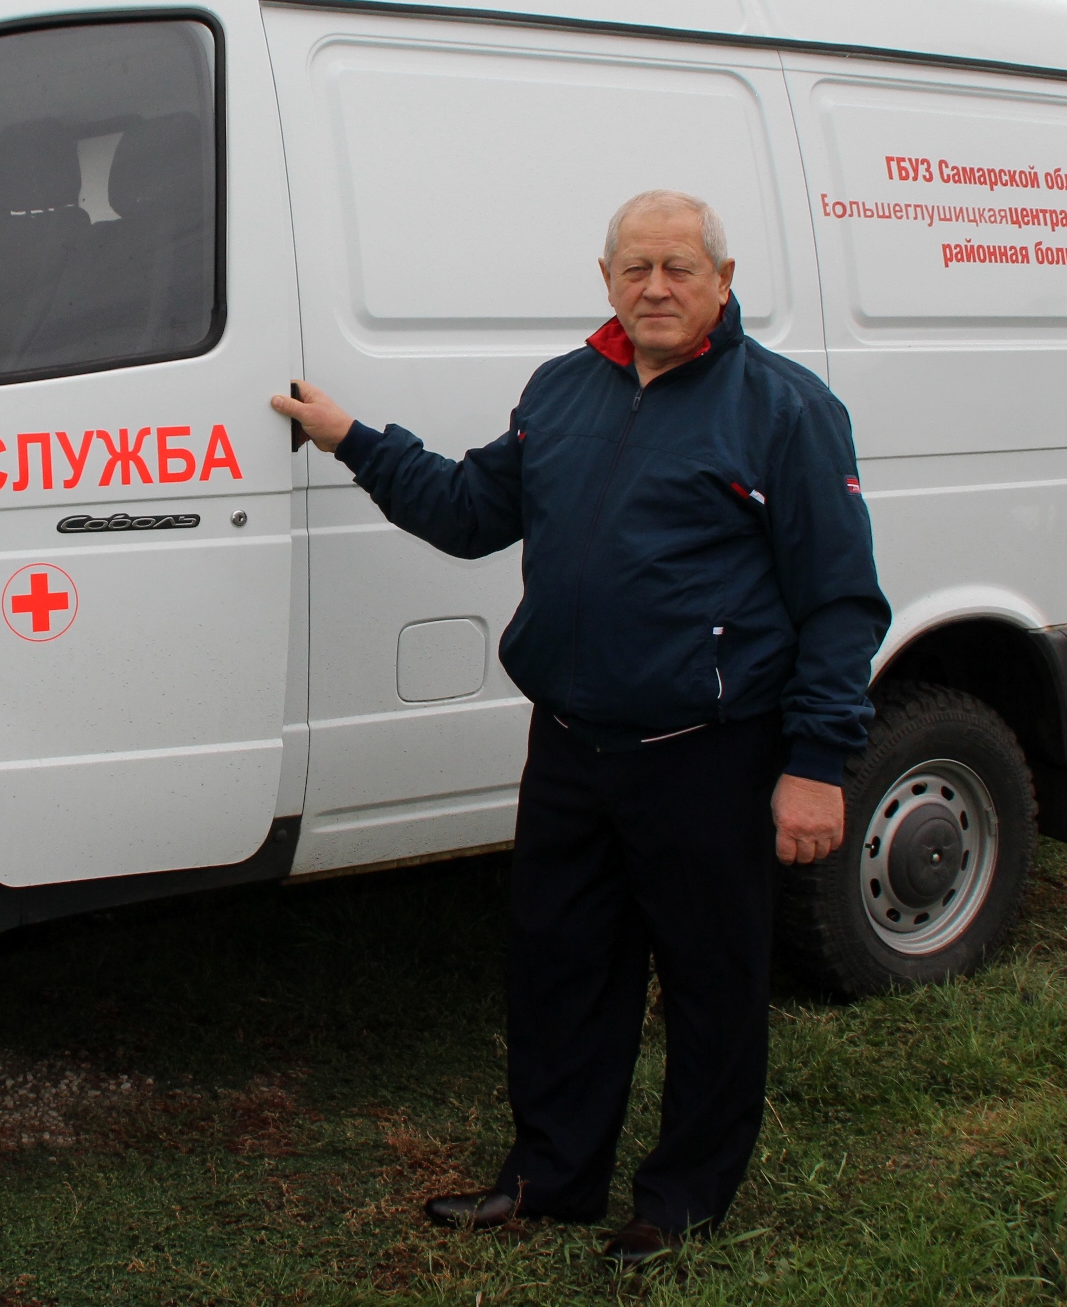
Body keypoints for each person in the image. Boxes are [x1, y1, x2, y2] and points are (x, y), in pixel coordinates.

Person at [273, 189, 888, 1271]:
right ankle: (550, 1178)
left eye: (679, 268)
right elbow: (470, 511)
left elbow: (841, 603)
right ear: (605, 280)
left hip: (707, 753)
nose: (656, 287)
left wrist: (816, 764)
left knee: (711, 983)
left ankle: (683, 1197)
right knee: (560, 968)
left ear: (723, 281)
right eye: (636, 268)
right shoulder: (562, 392)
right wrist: (353, 439)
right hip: (568, 747)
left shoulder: (783, 408)